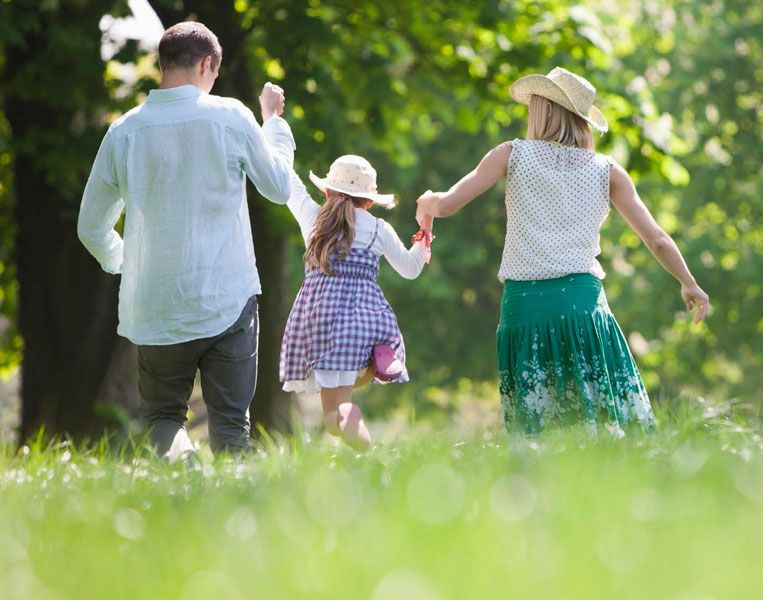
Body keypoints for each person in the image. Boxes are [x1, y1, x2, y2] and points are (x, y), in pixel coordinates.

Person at [416, 67, 710, 435]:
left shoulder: (510, 154)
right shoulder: (608, 171)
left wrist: (426, 203)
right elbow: (657, 239)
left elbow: (445, 205)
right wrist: (688, 282)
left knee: (539, 432)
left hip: (525, 308)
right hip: (582, 307)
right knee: (601, 423)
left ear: (543, 110)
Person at [77, 22, 297, 458]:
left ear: (162, 65)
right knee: (233, 423)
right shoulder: (231, 116)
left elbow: (90, 227)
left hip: (155, 302)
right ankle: (234, 515)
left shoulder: (124, 130)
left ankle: (181, 483)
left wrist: (126, 262)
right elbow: (278, 186)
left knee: (162, 419)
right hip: (226, 297)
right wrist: (274, 124)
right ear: (206, 64)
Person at [279, 155, 431, 448]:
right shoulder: (378, 228)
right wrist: (424, 234)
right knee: (336, 418)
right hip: (361, 325)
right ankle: (360, 414)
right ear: (370, 201)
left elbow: (289, 183)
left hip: (319, 324)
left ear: (326, 191)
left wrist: (273, 126)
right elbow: (410, 269)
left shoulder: (314, 220)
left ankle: (364, 446)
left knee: (333, 419)